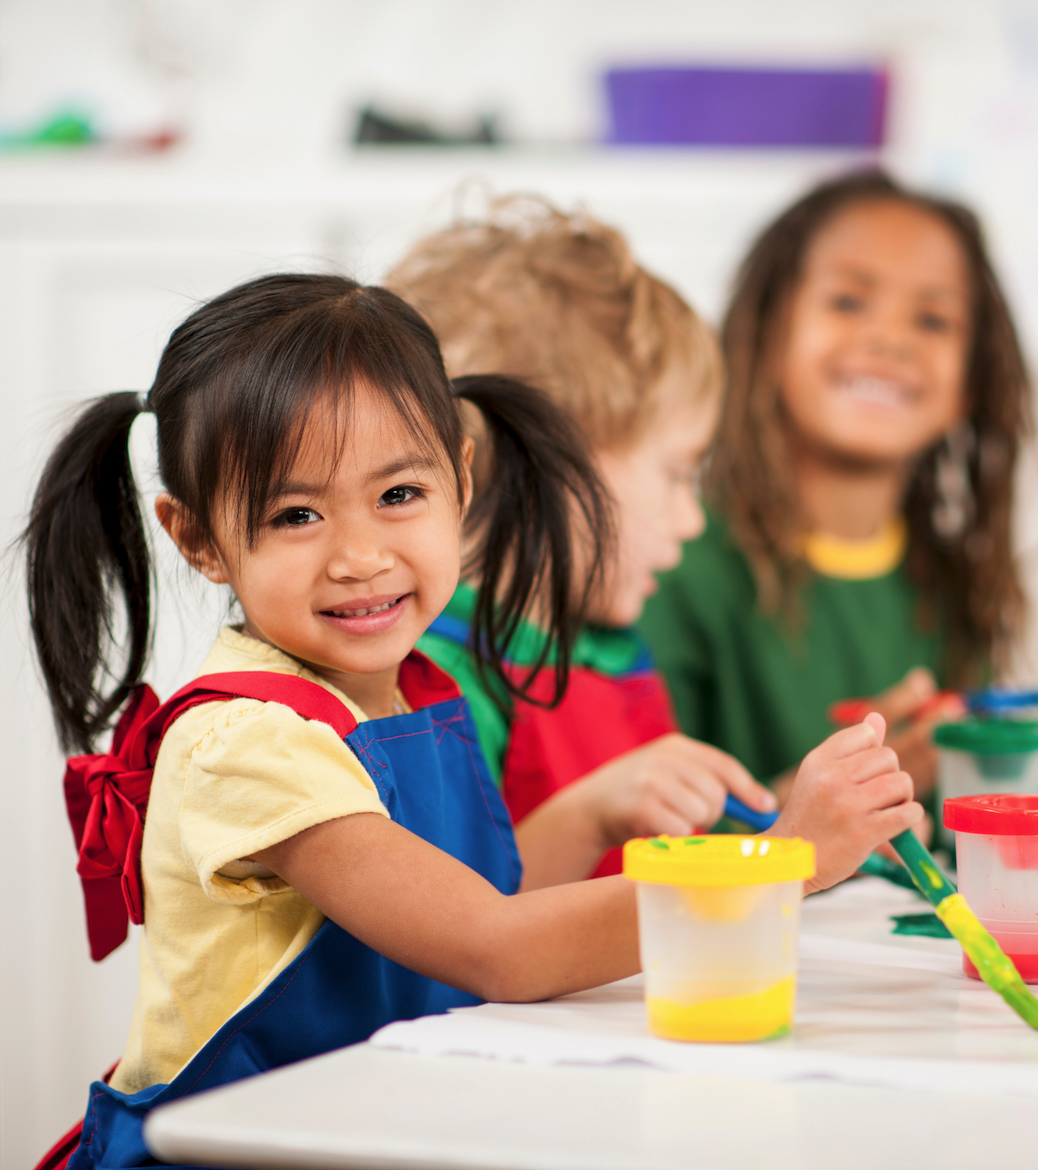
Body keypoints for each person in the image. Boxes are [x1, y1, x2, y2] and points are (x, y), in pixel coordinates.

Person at [25, 273, 922, 1169]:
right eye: (295, 514)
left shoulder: (408, 687)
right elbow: (494, 946)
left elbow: (453, 910)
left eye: (399, 495)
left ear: (458, 477)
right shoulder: (249, 743)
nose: (362, 556)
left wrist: (591, 812)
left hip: (375, 1128)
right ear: (197, 538)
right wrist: (784, 865)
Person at [388, 197, 775, 888]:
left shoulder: (608, 652)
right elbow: (449, 931)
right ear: (554, 463)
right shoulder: (430, 681)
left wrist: (807, 827)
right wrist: (589, 817)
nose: (693, 519)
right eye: (678, 474)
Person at [638, 170, 1031, 807]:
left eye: (932, 320)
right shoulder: (673, 569)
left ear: (971, 383)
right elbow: (638, 851)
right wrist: (834, 799)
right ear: (767, 335)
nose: (889, 339)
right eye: (848, 302)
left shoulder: (955, 583)